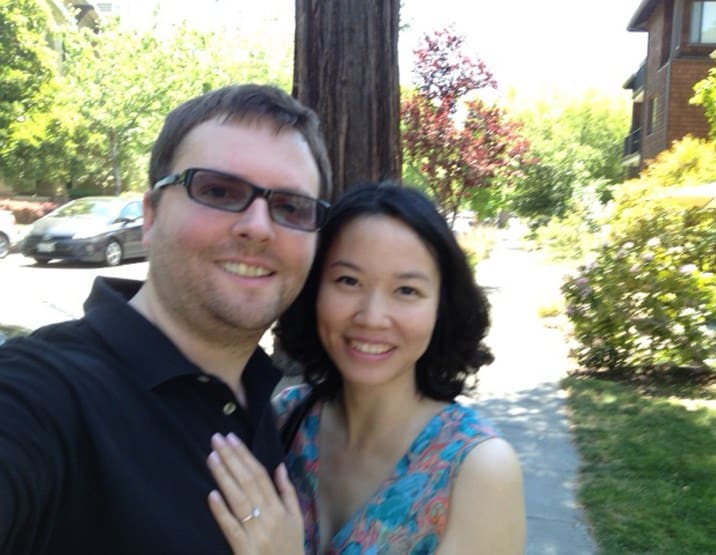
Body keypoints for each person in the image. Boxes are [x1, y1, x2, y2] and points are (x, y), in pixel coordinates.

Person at [0, 84, 332, 554]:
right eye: (218, 190)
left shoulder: (272, 403)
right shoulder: (41, 396)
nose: (258, 227)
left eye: (290, 207)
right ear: (150, 216)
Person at [208, 182, 526, 554]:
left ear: (442, 308)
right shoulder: (284, 420)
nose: (372, 317)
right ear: (314, 291)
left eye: (406, 290)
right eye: (349, 281)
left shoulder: (479, 471)